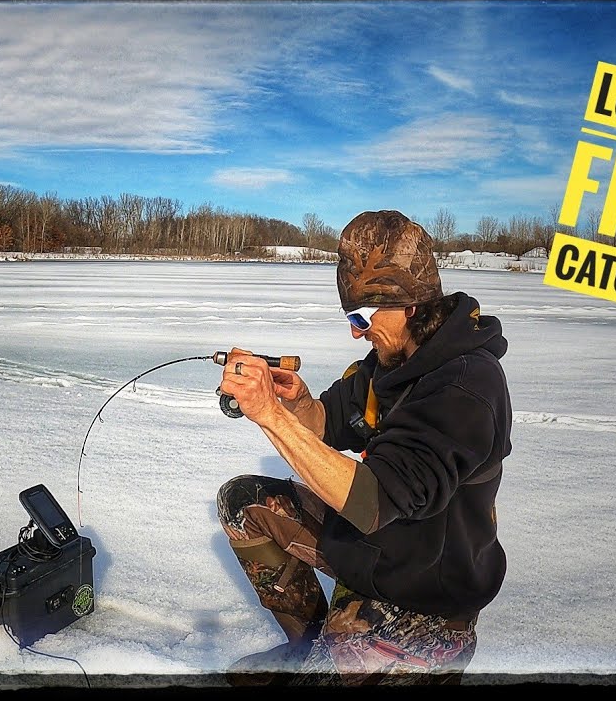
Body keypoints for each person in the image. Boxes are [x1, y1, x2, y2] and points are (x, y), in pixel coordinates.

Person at [216, 209, 511, 686]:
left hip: (427, 592)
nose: (356, 331)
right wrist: (297, 403)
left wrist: (269, 414)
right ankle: (307, 648)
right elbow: (330, 421)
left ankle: (433, 659)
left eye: (362, 316)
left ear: (409, 305)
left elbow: (372, 501)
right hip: (374, 552)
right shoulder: (389, 363)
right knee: (243, 502)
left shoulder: (464, 388)